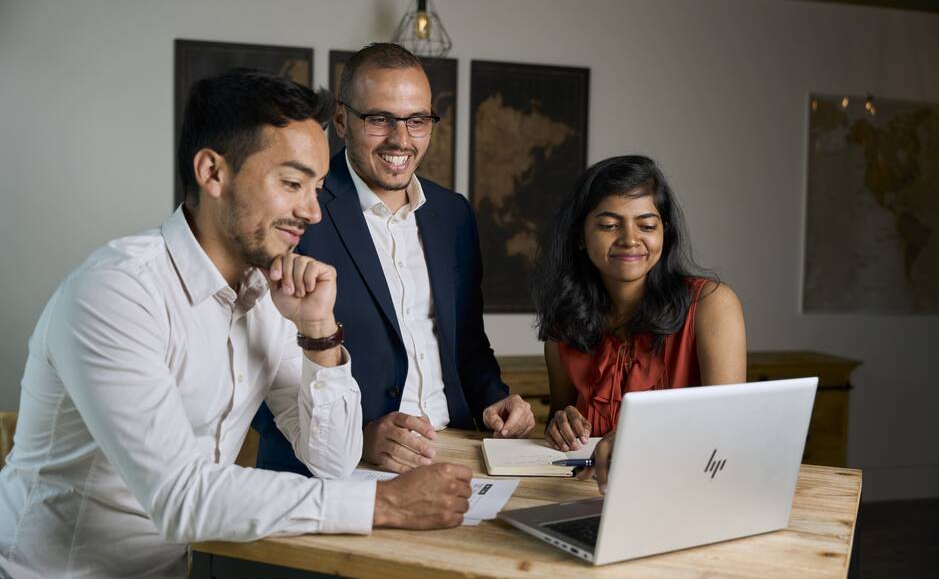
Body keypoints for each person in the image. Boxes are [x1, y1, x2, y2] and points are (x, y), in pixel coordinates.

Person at [0, 70, 472, 579]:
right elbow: (181, 497)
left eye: (316, 187)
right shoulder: (115, 293)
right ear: (212, 173)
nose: (313, 212)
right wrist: (385, 504)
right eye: (292, 183)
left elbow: (331, 459)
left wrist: (318, 333)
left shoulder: (269, 296)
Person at [253, 43, 534, 476]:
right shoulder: (296, 209)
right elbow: (252, 365)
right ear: (342, 121)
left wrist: (494, 398)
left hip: (454, 452)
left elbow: (466, 343)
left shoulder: (453, 214)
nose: (401, 139)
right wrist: (356, 438)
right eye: (380, 119)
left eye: (417, 120)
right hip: (337, 469)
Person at [531, 155, 746, 491]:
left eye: (646, 225)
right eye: (608, 225)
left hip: (688, 493)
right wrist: (560, 423)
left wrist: (643, 436)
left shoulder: (712, 305)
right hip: (588, 496)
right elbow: (564, 419)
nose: (630, 239)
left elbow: (729, 431)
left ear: (665, 234)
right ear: (580, 236)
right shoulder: (563, 327)